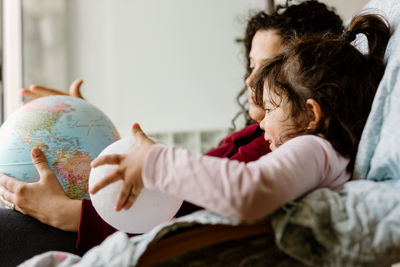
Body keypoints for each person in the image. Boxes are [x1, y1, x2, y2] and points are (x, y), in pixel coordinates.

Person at [0, 1, 344, 265]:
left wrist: (69, 215)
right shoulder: (258, 134)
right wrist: (88, 128)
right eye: (252, 66)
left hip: (120, 237)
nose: (251, 81)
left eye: (269, 69)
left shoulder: (282, 150)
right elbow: (171, 195)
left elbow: (190, 218)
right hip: (111, 227)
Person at [90, 14, 390, 224]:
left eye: (271, 109)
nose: (261, 123)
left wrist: (156, 161)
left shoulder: (314, 148)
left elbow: (249, 191)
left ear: (311, 114)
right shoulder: (324, 152)